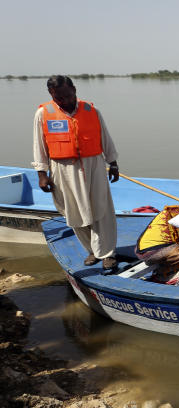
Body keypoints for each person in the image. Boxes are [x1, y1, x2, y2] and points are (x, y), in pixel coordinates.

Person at [32, 75, 120, 269]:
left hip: (94, 165)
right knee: (73, 211)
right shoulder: (43, 113)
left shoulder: (91, 110)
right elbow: (39, 145)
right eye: (59, 97)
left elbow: (105, 137)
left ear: (74, 90)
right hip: (62, 169)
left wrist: (113, 163)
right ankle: (92, 251)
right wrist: (42, 174)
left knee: (101, 208)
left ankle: (107, 253)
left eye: (68, 95)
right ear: (51, 94)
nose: (65, 101)